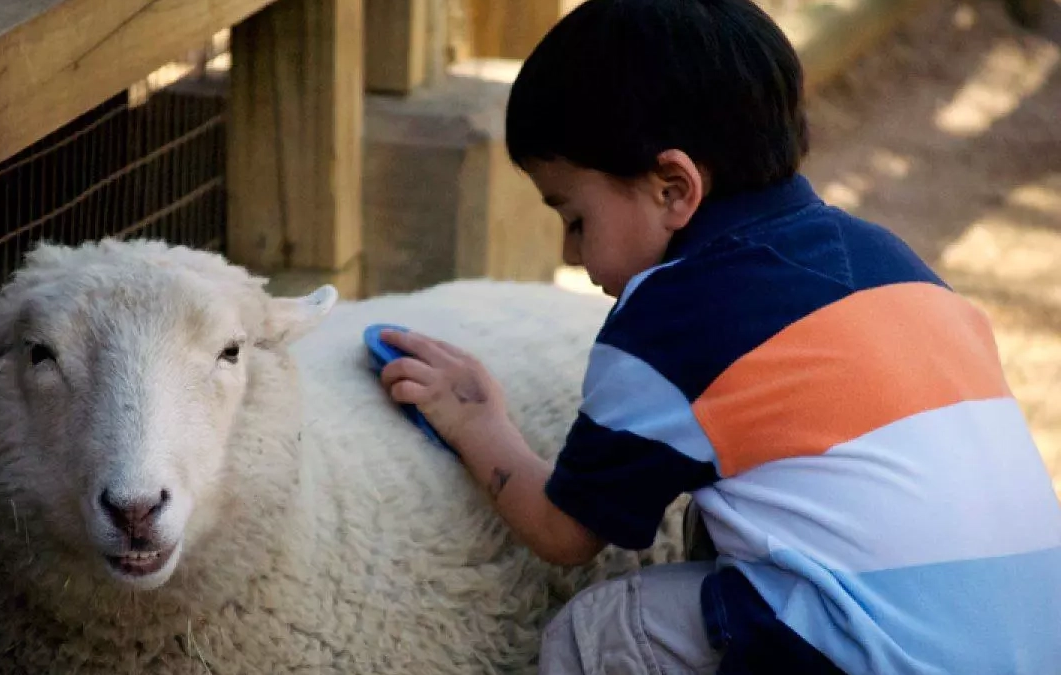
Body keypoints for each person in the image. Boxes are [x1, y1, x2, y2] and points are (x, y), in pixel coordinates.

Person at [377, 0, 1061, 673]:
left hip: (878, 652)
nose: (570, 252)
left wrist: (475, 419)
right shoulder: (888, 259)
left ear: (674, 188)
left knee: (599, 632)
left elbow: (563, 532)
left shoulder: (673, 318)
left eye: (576, 217)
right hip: (1037, 638)